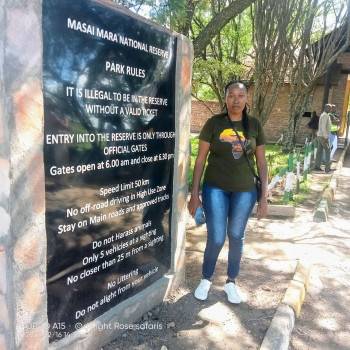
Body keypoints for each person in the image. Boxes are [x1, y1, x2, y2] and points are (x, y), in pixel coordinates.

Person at [188, 81, 268, 304]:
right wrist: (194, 193)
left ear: (246, 99)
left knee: (235, 236)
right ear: (225, 98)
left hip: (245, 190)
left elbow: (261, 162)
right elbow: (201, 159)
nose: (236, 100)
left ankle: (231, 282)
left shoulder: (254, 125)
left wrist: (264, 196)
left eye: (240, 96)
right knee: (216, 237)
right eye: (231, 95)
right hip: (215, 187)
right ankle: (206, 278)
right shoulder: (214, 123)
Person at [315, 104, 332, 173]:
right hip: (323, 136)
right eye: (329, 108)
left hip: (320, 135)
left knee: (319, 151)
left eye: (330, 108)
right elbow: (323, 127)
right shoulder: (325, 115)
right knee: (328, 151)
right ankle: (327, 168)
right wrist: (326, 137)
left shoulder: (324, 115)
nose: (330, 110)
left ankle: (317, 166)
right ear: (325, 108)